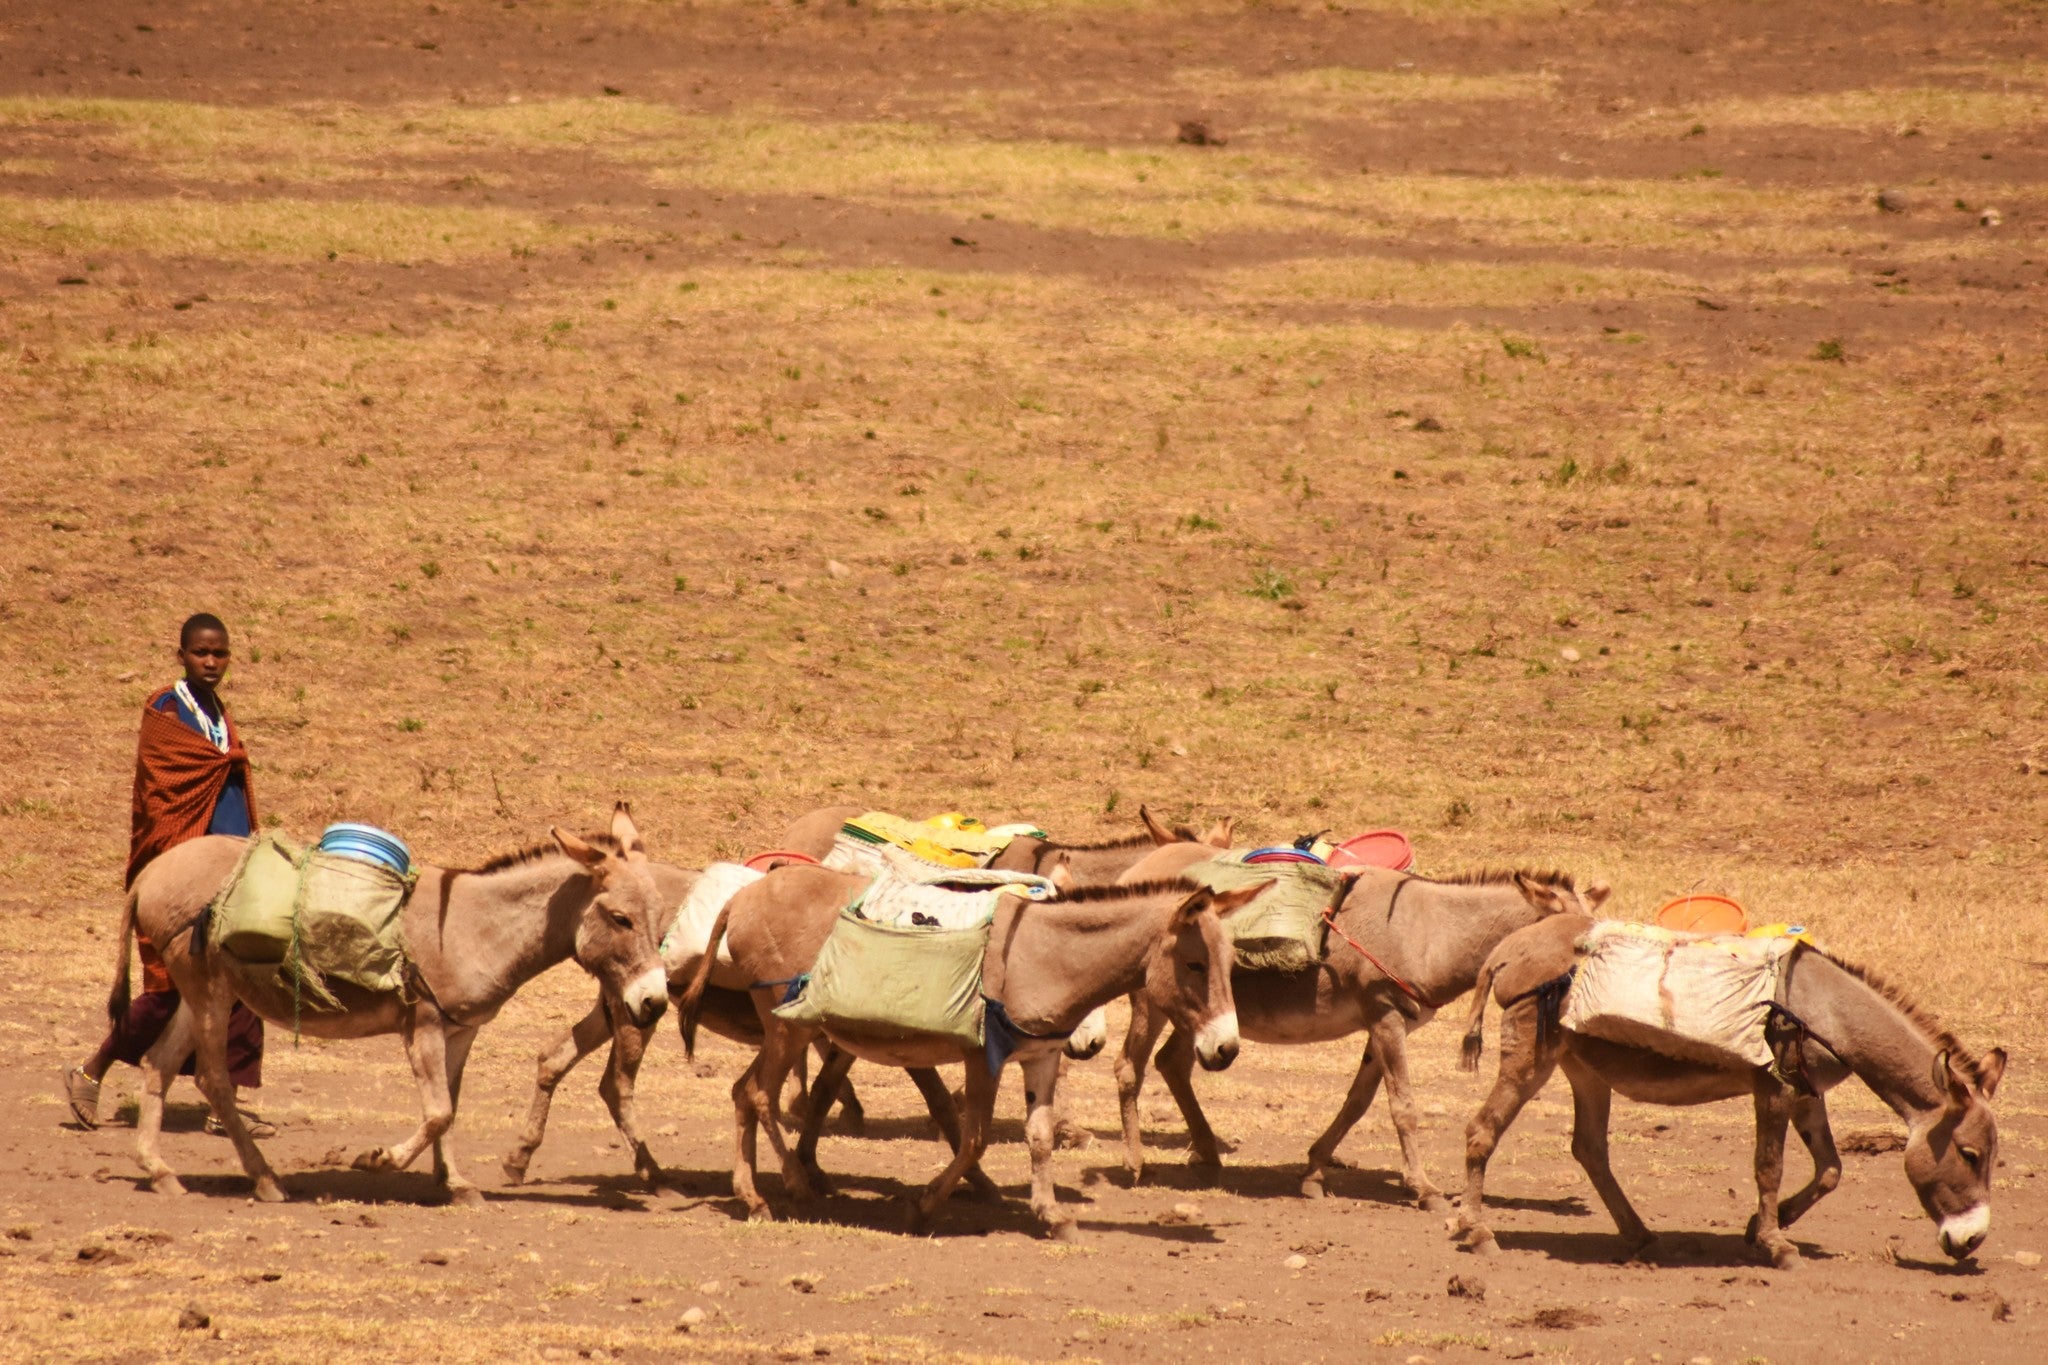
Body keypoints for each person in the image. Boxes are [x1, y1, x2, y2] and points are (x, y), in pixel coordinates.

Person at [66, 613, 271, 1136]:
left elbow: (225, 782)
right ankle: (91, 1070)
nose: (211, 662)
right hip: (179, 874)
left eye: (220, 653)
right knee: (169, 990)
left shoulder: (219, 715)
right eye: (201, 652)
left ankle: (225, 1101)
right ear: (180, 654)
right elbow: (165, 794)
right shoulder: (165, 709)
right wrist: (195, 862)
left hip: (231, 872)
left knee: (246, 975)